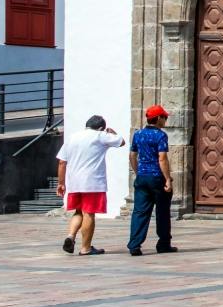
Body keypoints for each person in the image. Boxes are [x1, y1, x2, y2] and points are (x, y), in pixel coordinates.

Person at [56, 114, 123, 257]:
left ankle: (71, 236)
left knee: (78, 211)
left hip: (74, 182)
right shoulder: (100, 136)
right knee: (89, 213)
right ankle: (85, 248)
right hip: (93, 182)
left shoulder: (73, 137)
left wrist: (61, 183)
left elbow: (62, 162)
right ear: (100, 128)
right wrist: (111, 133)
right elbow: (121, 142)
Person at [126, 105, 175, 256]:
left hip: (142, 178)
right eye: (164, 117)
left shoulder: (138, 134)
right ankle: (163, 244)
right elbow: (162, 158)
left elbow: (132, 156)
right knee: (162, 212)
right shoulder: (160, 135)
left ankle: (134, 245)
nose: (165, 120)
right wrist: (167, 179)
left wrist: (137, 172)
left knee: (140, 211)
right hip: (157, 178)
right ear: (158, 118)